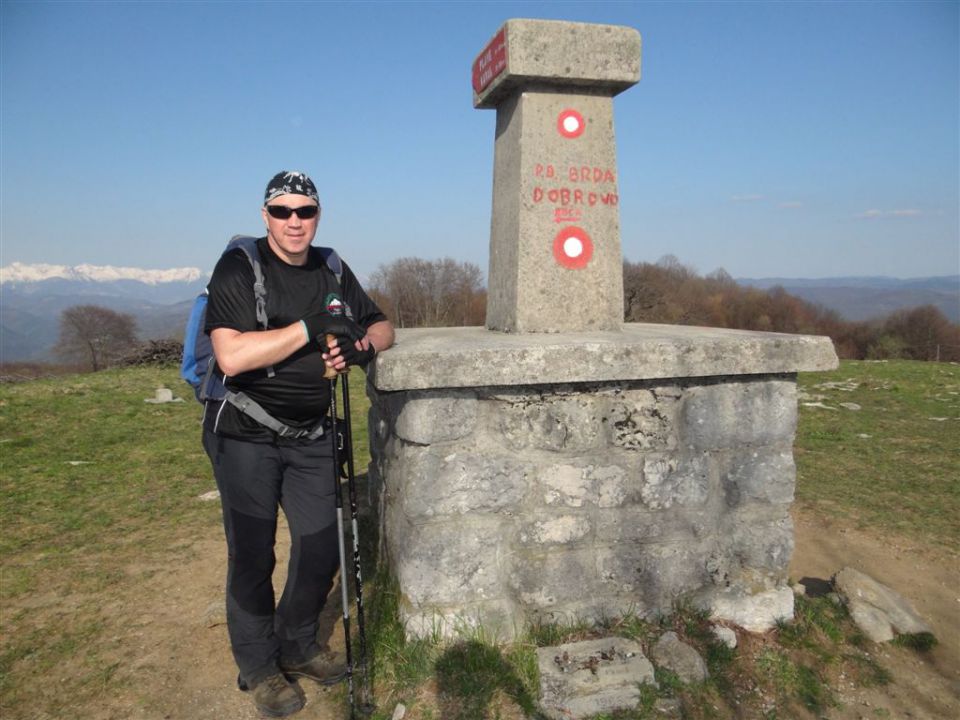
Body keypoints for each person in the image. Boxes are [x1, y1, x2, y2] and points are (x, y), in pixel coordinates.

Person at [202, 170, 395, 717]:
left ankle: (299, 643)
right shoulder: (241, 265)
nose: (294, 221)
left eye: (304, 212)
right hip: (243, 432)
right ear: (265, 216)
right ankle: (260, 667)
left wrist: (362, 345)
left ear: (317, 215)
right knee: (252, 554)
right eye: (282, 211)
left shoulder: (331, 266)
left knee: (320, 546)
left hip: (311, 433)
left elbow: (383, 325)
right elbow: (232, 356)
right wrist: (311, 327)